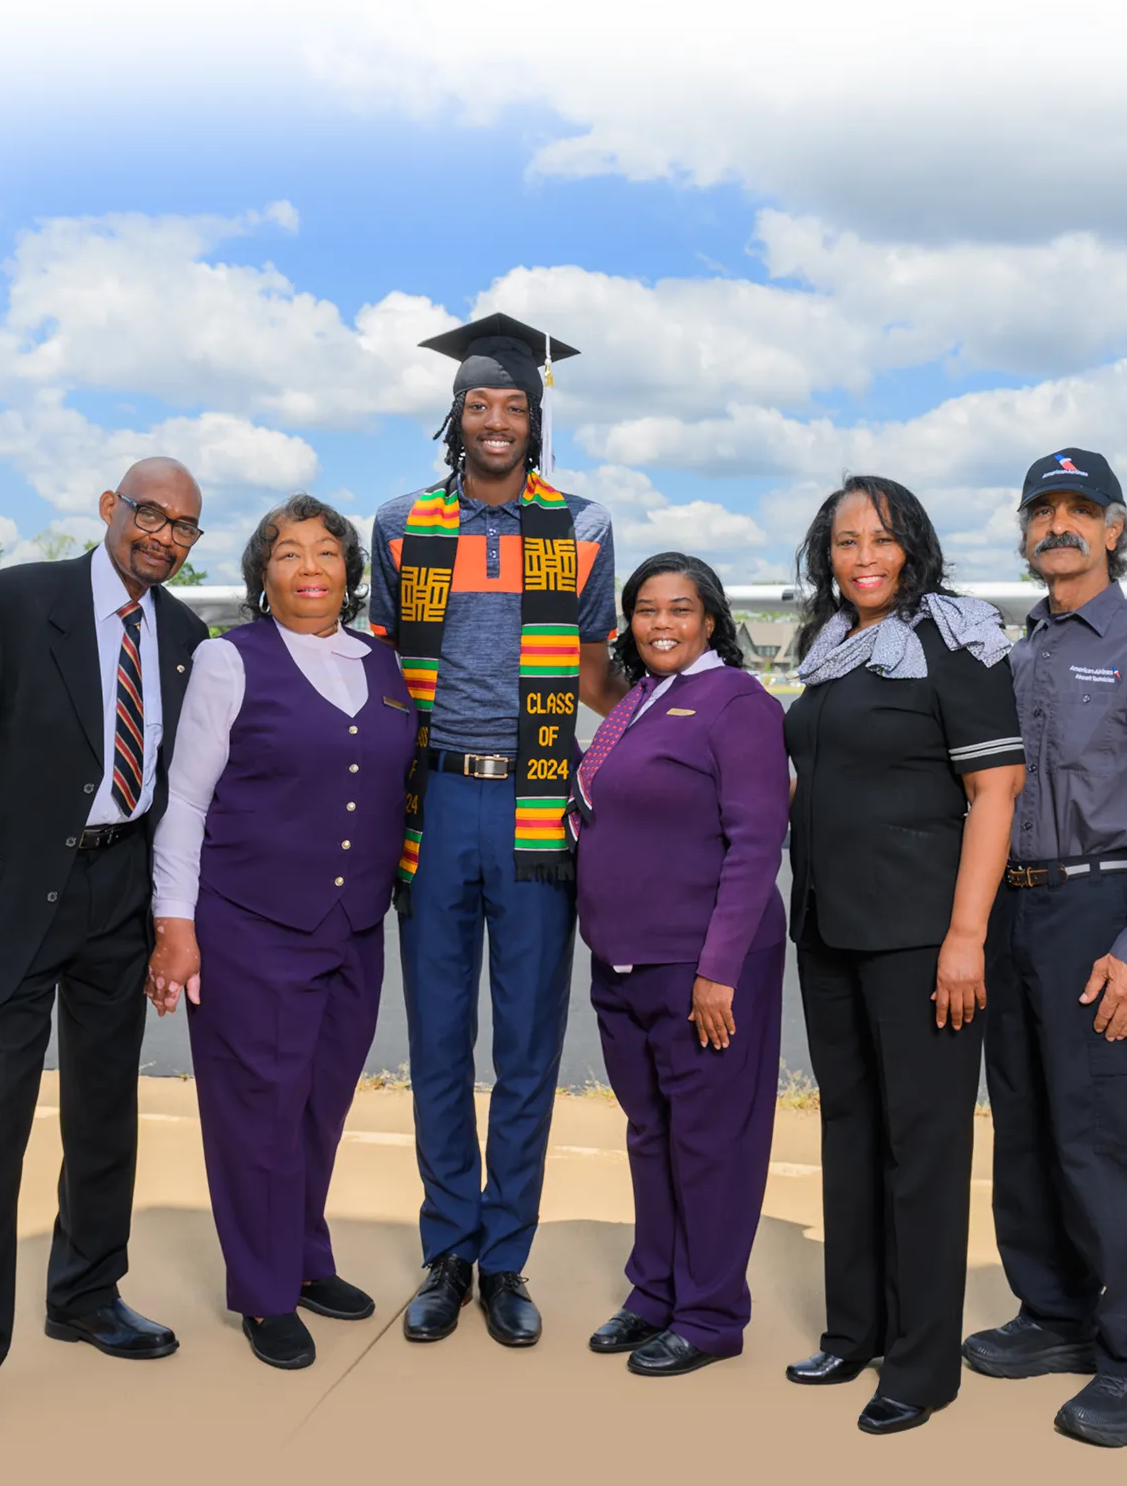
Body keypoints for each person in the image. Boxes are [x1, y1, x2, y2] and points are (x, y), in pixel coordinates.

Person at [0, 458, 211, 1453]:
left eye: (184, 529)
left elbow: (177, 791)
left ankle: (85, 1293)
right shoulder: (8, 604)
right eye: (149, 516)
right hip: (9, 903)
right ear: (109, 510)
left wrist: (171, 918)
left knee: (105, 1110)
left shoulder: (185, 638)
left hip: (117, 897)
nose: (162, 538)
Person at [370, 313, 625, 1347]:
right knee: (438, 1043)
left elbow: (603, 673)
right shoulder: (401, 526)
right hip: (433, 808)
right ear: (454, 413)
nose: (496, 421)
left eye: (514, 406)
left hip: (533, 806)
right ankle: (446, 1249)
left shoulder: (583, 528)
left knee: (524, 1049)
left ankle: (505, 1257)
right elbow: (380, 676)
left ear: (535, 419)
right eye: (480, 403)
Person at [962, 447, 1127, 1449]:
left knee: (1110, 1142)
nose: (1056, 524)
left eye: (1078, 510)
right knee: (1026, 1135)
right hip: (1018, 914)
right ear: (1024, 532)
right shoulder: (1013, 657)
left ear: (1113, 529)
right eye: (1041, 510)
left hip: (1105, 912)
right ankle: (1055, 1314)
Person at [145, 494, 417, 1371]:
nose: (310, 567)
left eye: (327, 552)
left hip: (352, 927)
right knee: (255, 1115)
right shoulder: (231, 660)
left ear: (349, 568)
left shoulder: (380, 660)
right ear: (264, 572)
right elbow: (185, 801)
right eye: (289, 553)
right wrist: (174, 926)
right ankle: (263, 1294)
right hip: (249, 924)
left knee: (318, 1108)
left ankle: (302, 1260)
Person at [780, 475, 1025, 1437]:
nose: (864, 557)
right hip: (830, 925)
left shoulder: (953, 636)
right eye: (845, 542)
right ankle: (855, 1329)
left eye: (881, 539)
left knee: (922, 1147)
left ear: (913, 545)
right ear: (826, 556)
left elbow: (997, 790)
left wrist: (966, 937)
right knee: (849, 1129)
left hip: (923, 936)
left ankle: (922, 1364)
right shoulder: (831, 644)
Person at [570, 552, 789, 1377]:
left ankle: (710, 1312)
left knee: (710, 1142)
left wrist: (719, 970)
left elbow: (756, 841)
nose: (662, 622)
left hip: (701, 965)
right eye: (646, 609)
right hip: (624, 962)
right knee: (651, 1132)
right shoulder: (639, 703)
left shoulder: (736, 701)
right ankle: (655, 1288)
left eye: (681, 608)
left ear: (710, 618)